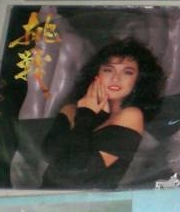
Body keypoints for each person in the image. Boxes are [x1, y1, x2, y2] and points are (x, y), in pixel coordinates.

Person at [41, 37, 165, 188]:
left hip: (89, 202)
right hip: (43, 196)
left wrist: (86, 114)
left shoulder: (131, 116)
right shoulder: (70, 110)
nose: (115, 78)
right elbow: (48, 154)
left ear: (138, 81)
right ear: (96, 74)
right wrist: (91, 114)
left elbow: (74, 171)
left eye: (128, 72)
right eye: (108, 70)